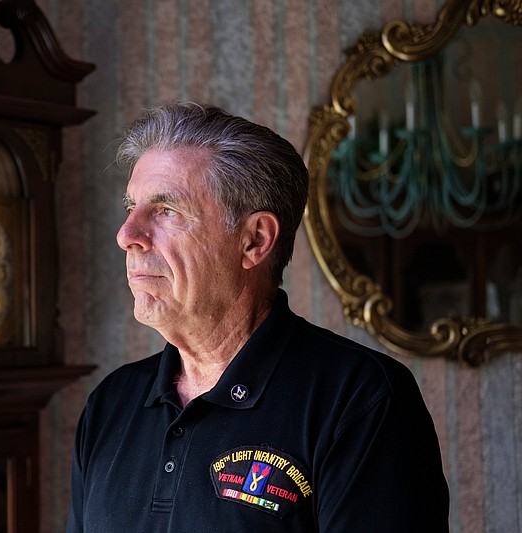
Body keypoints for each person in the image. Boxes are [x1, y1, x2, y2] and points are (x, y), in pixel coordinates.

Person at [66, 102, 449, 532]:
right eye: (130, 208)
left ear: (254, 240)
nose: (127, 236)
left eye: (166, 210)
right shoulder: (110, 404)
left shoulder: (361, 400)